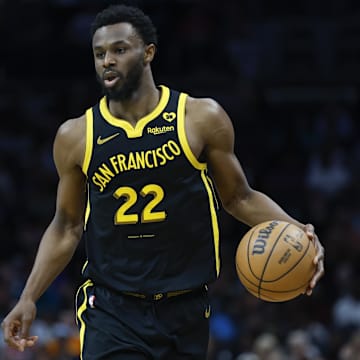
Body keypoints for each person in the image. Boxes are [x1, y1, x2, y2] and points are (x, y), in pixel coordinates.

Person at [1, 4, 325, 360]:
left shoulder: (199, 118)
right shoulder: (76, 135)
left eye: (119, 50)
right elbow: (66, 226)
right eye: (99, 54)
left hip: (185, 308)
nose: (107, 60)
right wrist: (28, 296)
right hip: (112, 309)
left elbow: (239, 198)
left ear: (148, 53)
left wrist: (300, 233)